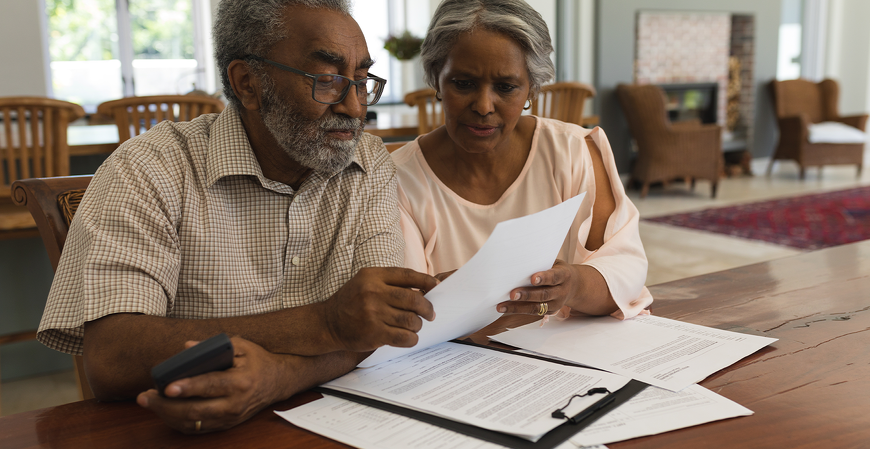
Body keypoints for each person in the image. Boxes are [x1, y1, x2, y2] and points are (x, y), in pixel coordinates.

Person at [37, 0, 439, 434]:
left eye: (361, 81)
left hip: (338, 422)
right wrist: (324, 324)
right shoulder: (150, 168)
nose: (356, 108)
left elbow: (377, 326)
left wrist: (282, 376)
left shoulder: (369, 162)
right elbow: (112, 357)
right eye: (327, 80)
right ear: (248, 83)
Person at [393, 0, 653, 320]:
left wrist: (572, 286)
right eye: (463, 83)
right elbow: (408, 310)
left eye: (505, 87)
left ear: (532, 89)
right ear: (436, 79)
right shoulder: (399, 179)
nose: (484, 105)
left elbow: (623, 268)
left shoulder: (574, 152)